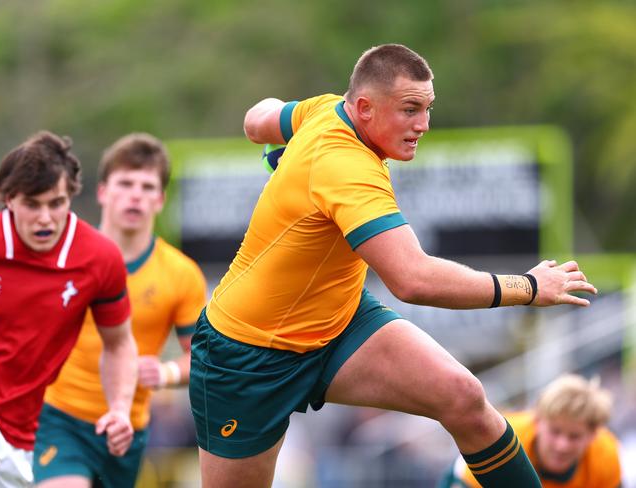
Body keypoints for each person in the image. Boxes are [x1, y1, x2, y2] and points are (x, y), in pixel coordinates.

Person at [188, 43, 597, 488]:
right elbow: (412, 279)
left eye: (427, 108)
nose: (422, 124)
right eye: (409, 109)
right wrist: (528, 287)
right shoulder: (347, 167)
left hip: (339, 322)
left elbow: (255, 120)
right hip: (247, 356)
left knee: (463, 397)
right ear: (364, 107)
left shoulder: (324, 110)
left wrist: (287, 148)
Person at [32, 133, 208, 488]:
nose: (135, 195)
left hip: (127, 428)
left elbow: (203, 357)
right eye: (125, 183)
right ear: (102, 192)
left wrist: (166, 373)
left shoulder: (181, 273)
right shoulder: (60, 255)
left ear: (160, 199)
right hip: (56, 417)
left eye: (146, 187)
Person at [0, 131, 138, 488]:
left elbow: (119, 343)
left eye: (55, 203)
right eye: (32, 204)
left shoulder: (99, 259)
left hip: (27, 431)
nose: (45, 218)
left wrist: (119, 408)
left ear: (71, 196)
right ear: (9, 199)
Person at [442, 374, 622, 488]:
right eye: (555, 431)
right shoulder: (502, 440)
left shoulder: (605, 456)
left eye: (574, 436)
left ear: (593, 434)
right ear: (537, 421)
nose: (562, 446)